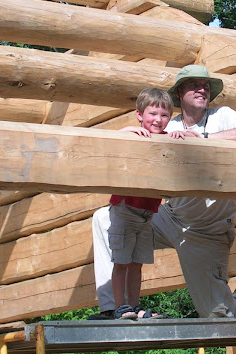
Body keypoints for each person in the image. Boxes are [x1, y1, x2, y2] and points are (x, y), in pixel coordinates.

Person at [89, 65, 236, 320]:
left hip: (207, 231)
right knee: (104, 218)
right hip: (169, 218)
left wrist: (202, 138)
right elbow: (132, 138)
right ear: (179, 93)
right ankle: (115, 308)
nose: (201, 89)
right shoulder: (169, 123)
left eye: (205, 85)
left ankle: (235, 301)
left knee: (218, 317)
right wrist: (128, 132)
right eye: (193, 85)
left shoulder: (222, 115)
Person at [105, 87, 185, 320]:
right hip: (125, 208)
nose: (158, 120)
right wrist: (125, 131)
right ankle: (120, 306)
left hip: (147, 214)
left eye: (164, 115)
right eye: (152, 114)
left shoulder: (166, 138)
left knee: (137, 262)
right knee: (122, 261)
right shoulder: (134, 135)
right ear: (139, 115)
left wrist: (180, 137)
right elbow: (107, 145)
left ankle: (133, 305)